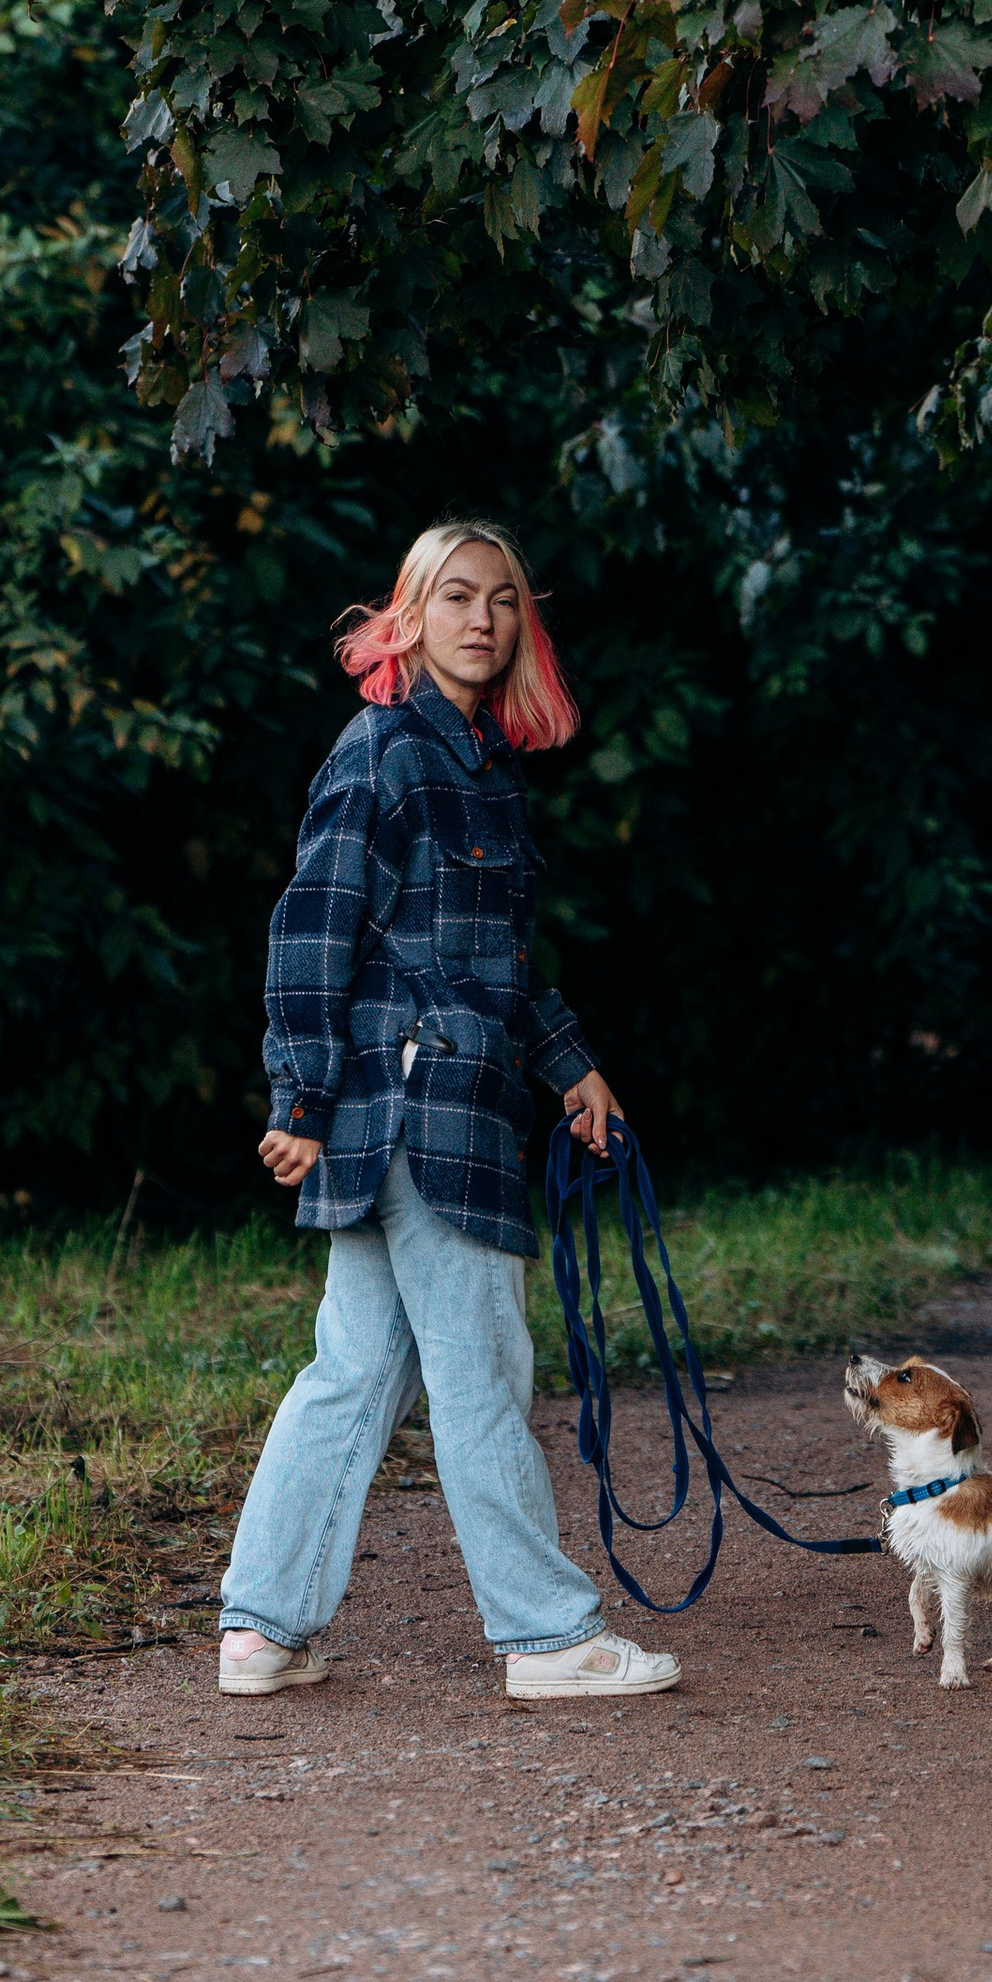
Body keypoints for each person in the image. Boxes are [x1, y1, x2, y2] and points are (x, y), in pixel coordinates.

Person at [216, 520, 682, 1704]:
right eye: (457, 597)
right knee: (480, 1372)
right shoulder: (384, 751)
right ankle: (545, 1636)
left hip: (452, 1102)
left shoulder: (483, 765)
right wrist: (304, 1095)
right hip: (417, 1114)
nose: (483, 619)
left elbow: (497, 965)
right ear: (408, 617)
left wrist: (570, 1066)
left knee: (352, 1370)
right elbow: (310, 925)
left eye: (505, 601)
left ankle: (263, 1630)